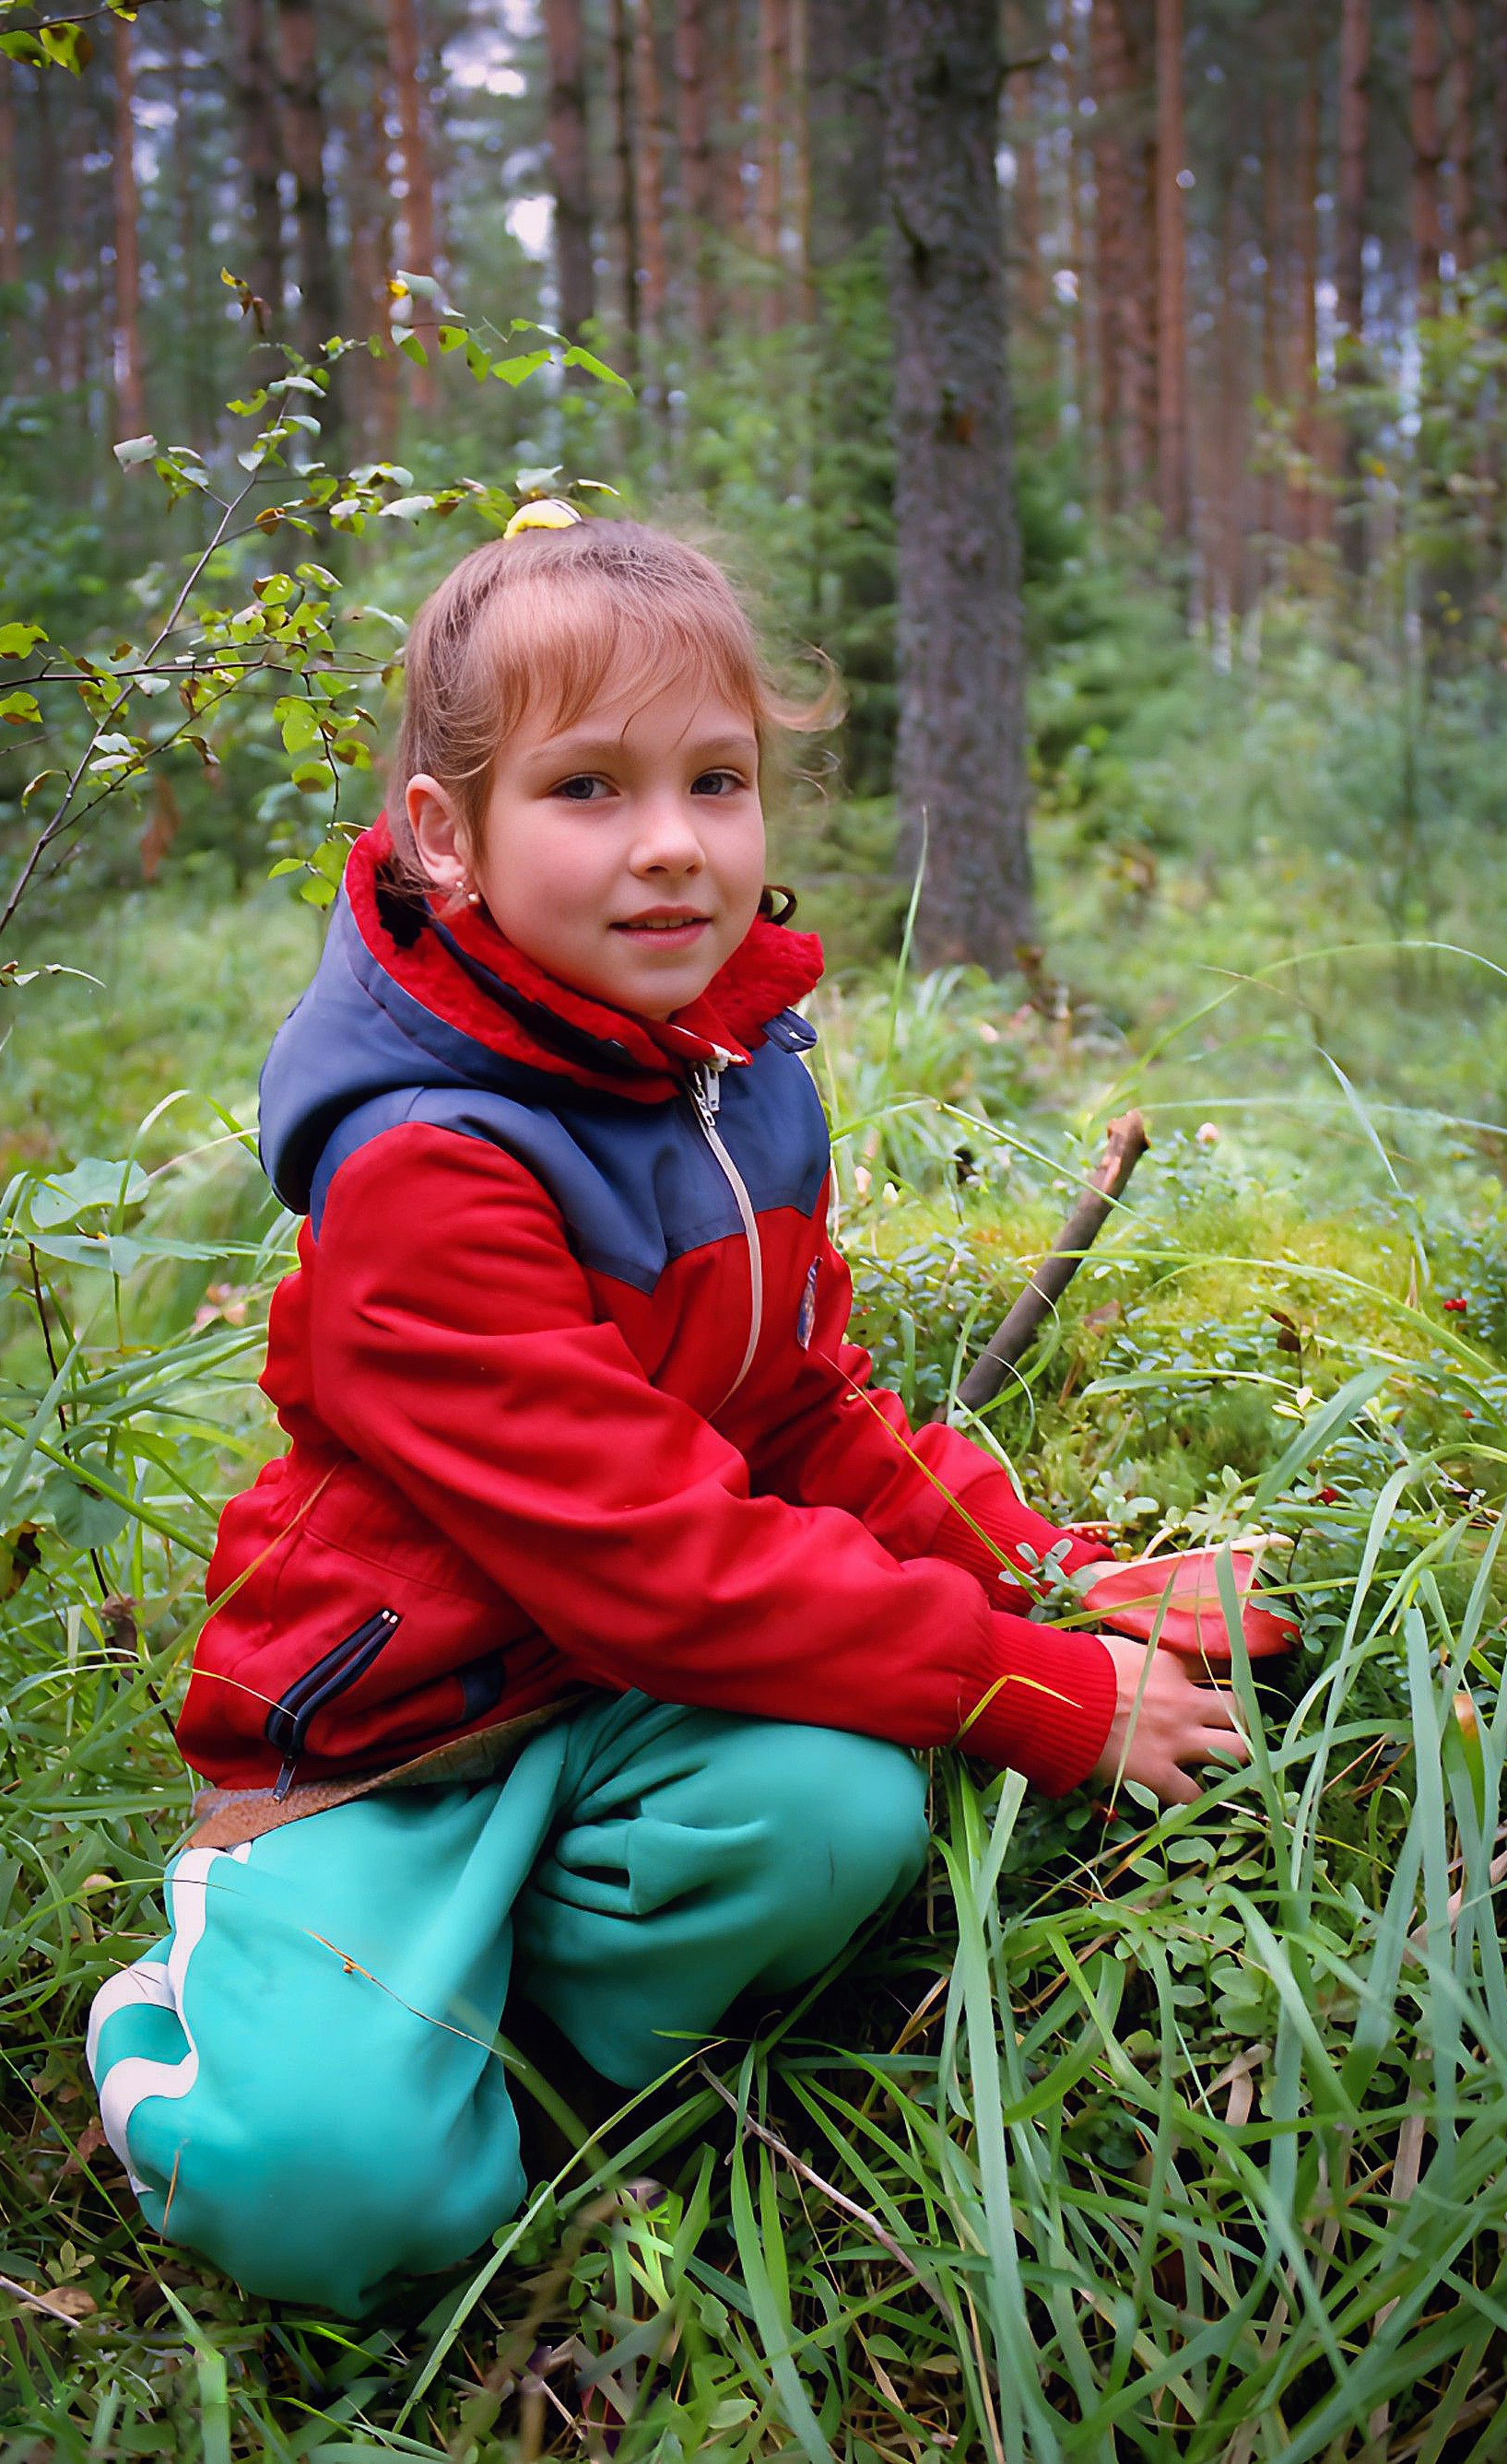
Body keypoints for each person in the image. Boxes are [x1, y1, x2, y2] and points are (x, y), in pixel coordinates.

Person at [87, 511, 1249, 2317]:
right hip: (397, 1740)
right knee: (336, 2202)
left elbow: (806, 1414)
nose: (670, 847)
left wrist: (1064, 1580)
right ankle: (208, 2007)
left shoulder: (728, 1068)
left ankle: (540, 2046)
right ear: (445, 839)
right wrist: (1032, 1689)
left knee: (838, 1802)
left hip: (609, 1696)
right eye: (587, 787)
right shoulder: (427, 1168)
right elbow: (664, 1560)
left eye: (717, 779)